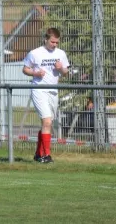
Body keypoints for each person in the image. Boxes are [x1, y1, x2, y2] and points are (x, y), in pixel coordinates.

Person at [22, 27, 70, 163]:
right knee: (47, 121)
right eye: (52, 42)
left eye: (57, 43)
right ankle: (46, 156)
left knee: (47, 123)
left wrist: (61, 68)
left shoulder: (61, 53)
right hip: (39, 89)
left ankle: (38, 154)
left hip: (53, 91)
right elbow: (25, 69)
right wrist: (35, 73)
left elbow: (65, 72)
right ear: (46, 39)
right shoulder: (35, 53)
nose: (55, 45)